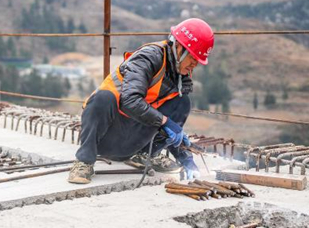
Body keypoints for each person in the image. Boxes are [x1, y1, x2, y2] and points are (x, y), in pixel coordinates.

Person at [68, 18, 214, 184]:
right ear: (180, 48)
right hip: (106, 137)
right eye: (193, 57)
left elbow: (173, 127)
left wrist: (186, 159)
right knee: (103, 97)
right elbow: (129, 100)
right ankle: (84, 162)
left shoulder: (181, 77)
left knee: (182, 103)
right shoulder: (149, 58)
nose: (195, 64)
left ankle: (144, 155)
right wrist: (165, 121)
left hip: (132, 142)